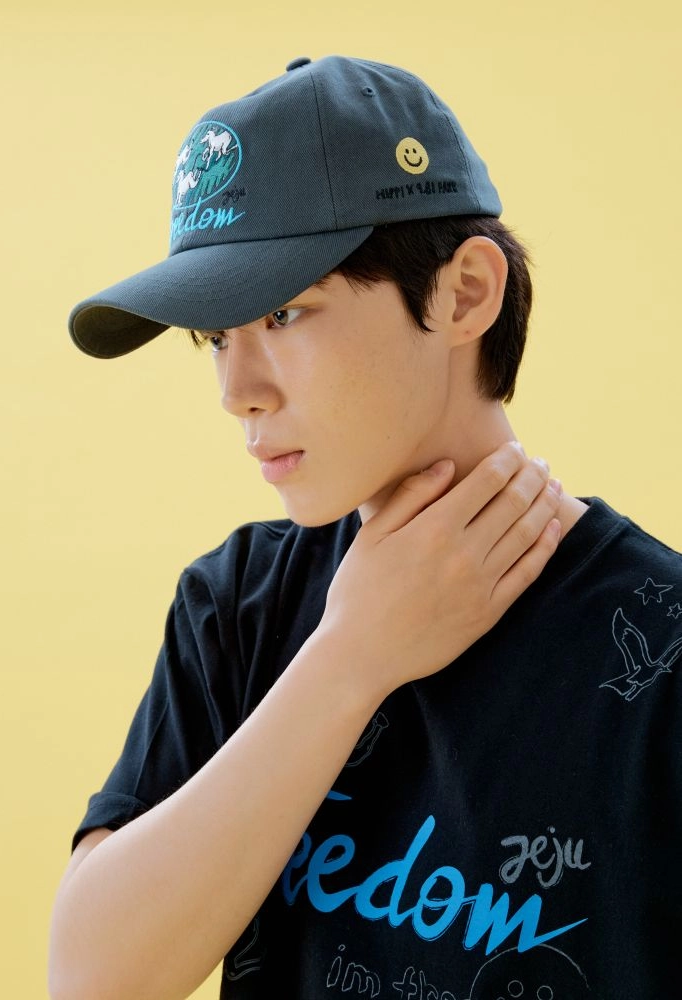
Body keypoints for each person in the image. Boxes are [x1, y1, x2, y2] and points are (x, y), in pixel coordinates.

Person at [48, 56, 682, 1000]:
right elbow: (93, 980)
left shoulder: (659, 640)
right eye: (215, 337)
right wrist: (351, 657)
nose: (236, 390)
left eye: (284, 311)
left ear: (464, 294)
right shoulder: (237, 605)